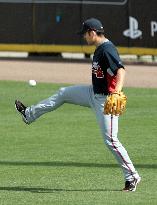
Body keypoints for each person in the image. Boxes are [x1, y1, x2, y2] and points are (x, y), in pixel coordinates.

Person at [15, 18, 141, 192]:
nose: (83, 37)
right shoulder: (99, 49)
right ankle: (29, 114)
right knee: (63, 93)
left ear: (92, 32)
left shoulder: (107, 49)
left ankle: (132, 176)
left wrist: (117, 92)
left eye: (84, 34)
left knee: (111, 140)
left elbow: (120, 70)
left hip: (105, 100)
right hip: (92, 93)